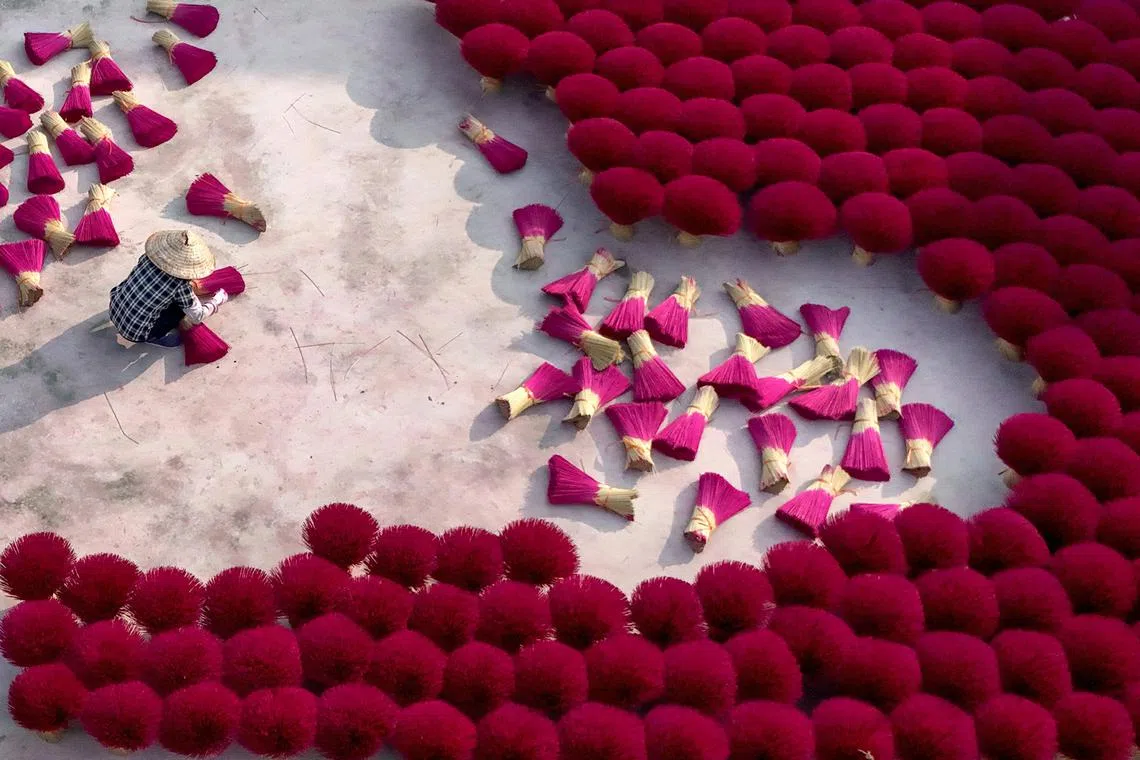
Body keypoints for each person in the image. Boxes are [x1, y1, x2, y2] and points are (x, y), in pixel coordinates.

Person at [109, 230, 229, 348]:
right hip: (135, 332)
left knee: (167, 297)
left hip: (114, 308)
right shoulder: (180, 286)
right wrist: (217, 301)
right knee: (180, 310)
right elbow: (197, 317)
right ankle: (153, 337)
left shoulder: (148, 257)